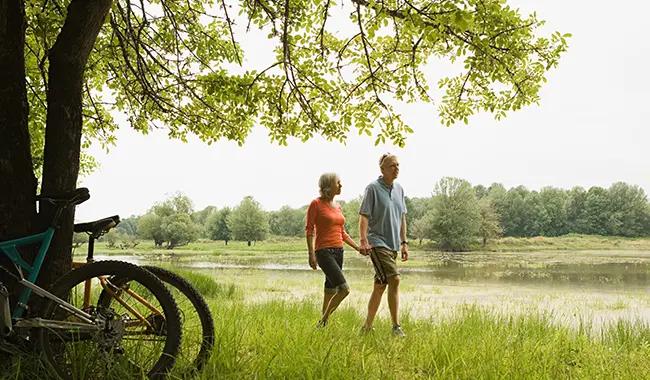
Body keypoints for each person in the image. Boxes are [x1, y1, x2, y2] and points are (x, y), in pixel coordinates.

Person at [358, 153, 409, 337]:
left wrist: (404, 243)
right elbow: (364, 216)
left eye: (397, 165)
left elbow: (402, 217)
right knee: (394, 279)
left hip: (393, 244)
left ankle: (366, 328)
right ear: (382, 169)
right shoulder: (372, 188)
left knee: (380, 286)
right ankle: (396, 327)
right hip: (377, 243)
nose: (397, 168)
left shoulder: (400, 189)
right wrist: (363, 240)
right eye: (392, 166)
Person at [305, 173, 361, 327]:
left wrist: (357, 247)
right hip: (323, 252)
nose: (341, 185)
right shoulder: (315, 204)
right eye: (338, 182)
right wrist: (311, 254)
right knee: (344, 289)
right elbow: (309, 230)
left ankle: (323, 327)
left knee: (329, 290)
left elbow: (342, 233)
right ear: (329, 186)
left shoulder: (338, 206)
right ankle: (322, 322)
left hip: (338, 251)